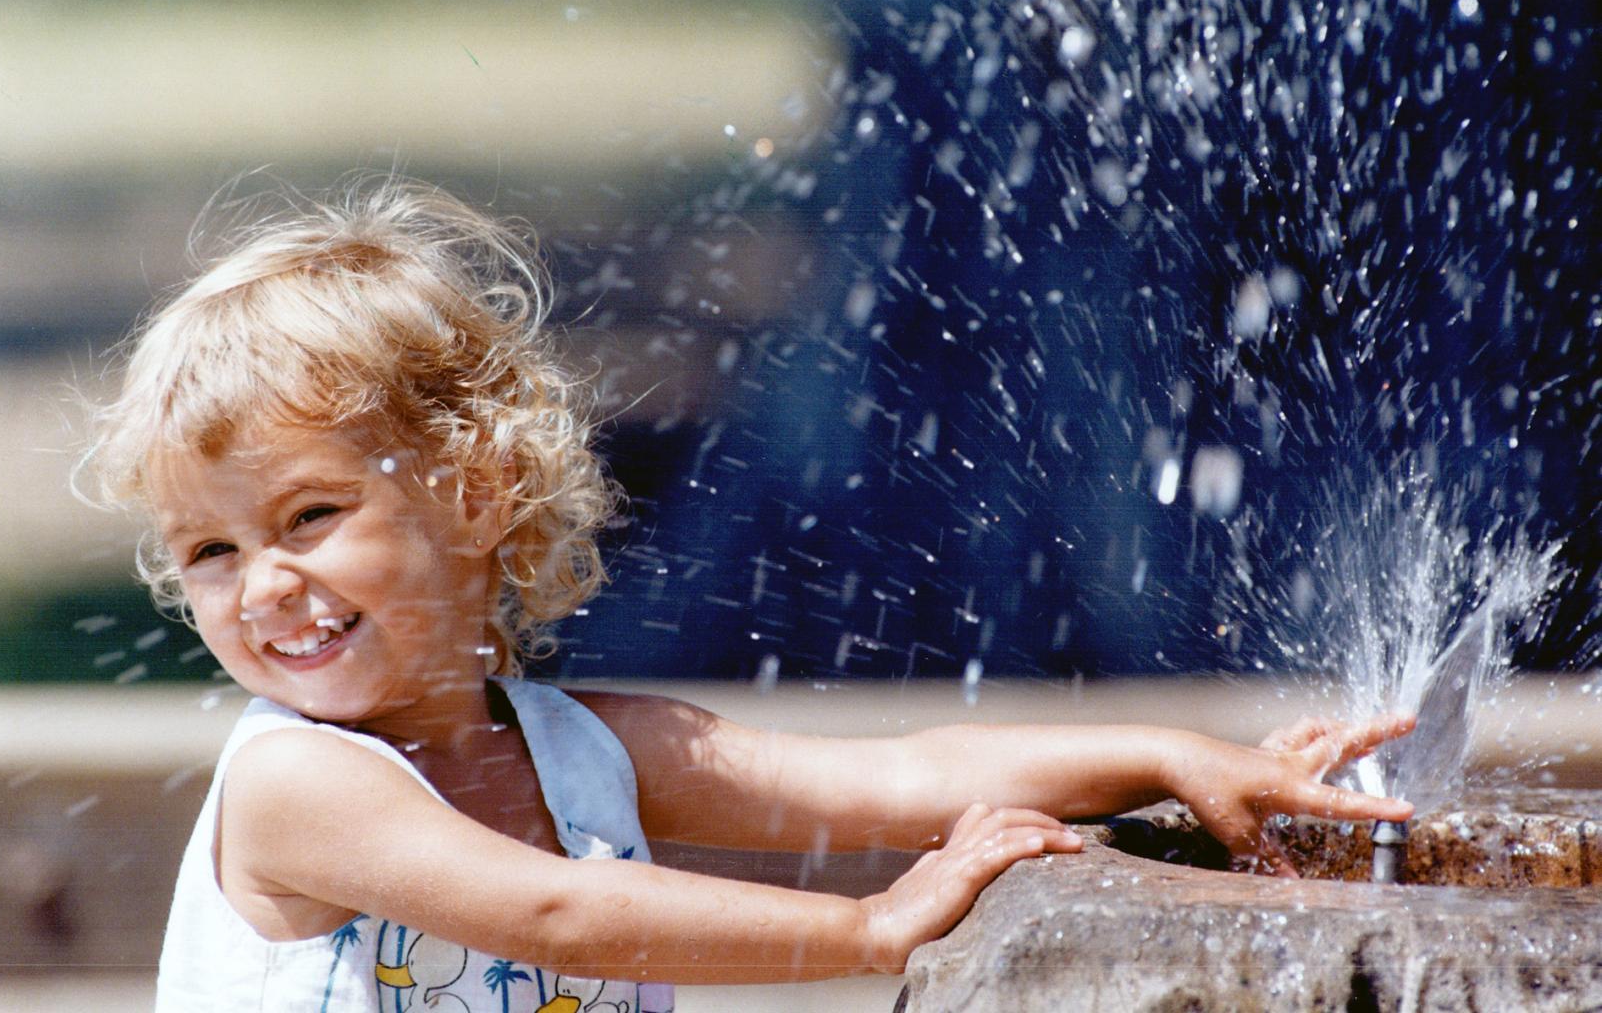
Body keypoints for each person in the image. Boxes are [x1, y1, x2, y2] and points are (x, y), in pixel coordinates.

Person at [81, 178, 1414, 1011]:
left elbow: (894, 781)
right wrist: (870, 928)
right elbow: (559, 916)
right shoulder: (296, 787)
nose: (265, 585)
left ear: (475, 494)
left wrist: (1172, 756)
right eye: (209, 552)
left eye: (310, 516)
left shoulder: (584, 750)